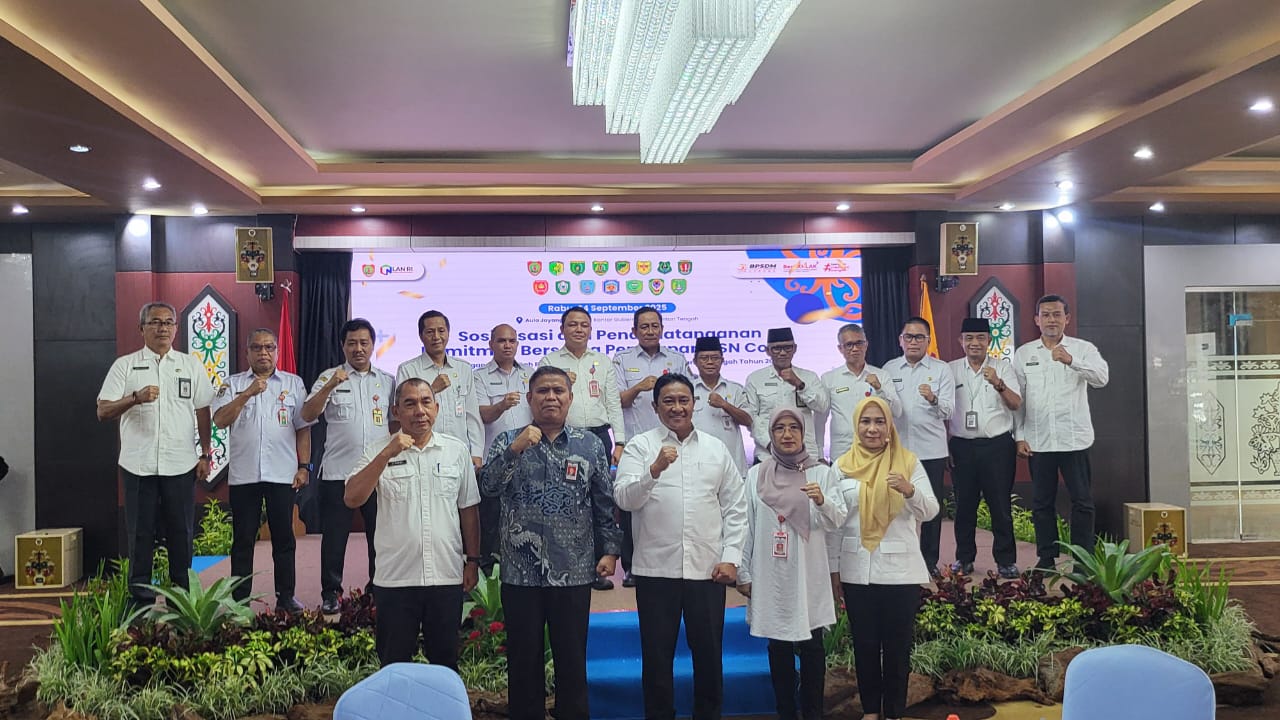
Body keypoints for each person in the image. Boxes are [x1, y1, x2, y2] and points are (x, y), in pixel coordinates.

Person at [479, 366, 622, 720]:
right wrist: (514, 451)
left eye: (559, 391)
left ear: (570, 398)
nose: (551, 397)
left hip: (573, 570)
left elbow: (603, 502)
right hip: (520, 572)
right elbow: (489, 489)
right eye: (543, 391)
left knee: (571, 658)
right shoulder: (507, 440)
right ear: (529, 398)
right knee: (523, 659)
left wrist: (610, 550)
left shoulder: (589, 444)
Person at [615, 374, 748, 720]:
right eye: (669, 401)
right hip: (655, 570)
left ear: (694, 403)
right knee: (657, 657)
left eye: (683, 400)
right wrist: (654, 470)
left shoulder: (715, 448)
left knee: (709, 654)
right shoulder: (640, 446)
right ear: (655, 406)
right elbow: (624, 499)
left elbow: (736, 508)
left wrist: (731, 558)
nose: (677, 407)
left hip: (707, 569)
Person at [346, 378, 481, 668]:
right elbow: (352, 498)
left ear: (437, 407)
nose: (419, 410)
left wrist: (472, 560)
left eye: (425, 402)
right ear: (396, 411)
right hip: (395, 579)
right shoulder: (378, 449)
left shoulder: (456, 451)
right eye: (410, 404)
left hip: (445, 576)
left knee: (445, 665)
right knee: (394, 665)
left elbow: (468, 508)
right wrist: (387, 453)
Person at [97, 302, 214, 606]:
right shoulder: (125, 365)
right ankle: (140, 603)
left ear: (176, 328)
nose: (162, 328)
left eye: (168, 322)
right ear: (142, 328)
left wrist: (205, 453)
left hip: (181, 464)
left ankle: (181, 601)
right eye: (155, 322)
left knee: (181, 534)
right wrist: (134, 398)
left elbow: (203, 410)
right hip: (138, 465)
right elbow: (103, 410)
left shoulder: (190, 365)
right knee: (140, 535)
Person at [829, 397, 939, 720]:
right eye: (866, 421)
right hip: (856, 570)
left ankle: (893, 712)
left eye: (879, 421)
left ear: (890, 426)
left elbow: (931, 510)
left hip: (900, 573)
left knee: (897, 649)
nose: (872, 428)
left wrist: (909, 490)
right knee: (864, 646)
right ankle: (869, 711)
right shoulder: (841, 466)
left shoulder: (908, 462)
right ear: (856, 426)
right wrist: (834, 571)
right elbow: (833, 524)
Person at [737, 409, 847, 720]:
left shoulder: (821, 473)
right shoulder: (756, 475)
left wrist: (822, 501)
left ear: (803, 433)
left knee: (813, 645)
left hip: (809, 571)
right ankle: (785, 711)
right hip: (771, 572)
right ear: (771, 435)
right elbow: (745, 525)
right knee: (778, 645)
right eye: (780, 429)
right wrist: (743, 571)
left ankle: (813, 713)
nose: (787, 434)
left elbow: (838, 520)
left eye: (794, 428)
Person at [211, 328, 314, 611]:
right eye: (257, 348)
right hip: (244, 476)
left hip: (282, 474)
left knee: (284, 539)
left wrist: (304, 466)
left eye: (269, 347)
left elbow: (303, 428)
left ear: (277, 352)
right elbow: (220, 420)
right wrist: (247, 394)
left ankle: (286, 597)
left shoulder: (293, 384)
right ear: (247, 353)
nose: (263, 353)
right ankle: (240, 600)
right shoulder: (232, 384)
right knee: (243, 540)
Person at [301, 318, 394, 614]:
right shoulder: (329, 377)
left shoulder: (387, 381)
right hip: (338, 473)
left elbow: (394, 422)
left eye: (364, 342)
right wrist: (330, 386)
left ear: (373, 345)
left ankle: (377, 589)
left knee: (380, 536)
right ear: (343, 346)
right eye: (352, 343)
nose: (358, 348)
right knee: (334, 537)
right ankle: (331, 592)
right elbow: (307, 414)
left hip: (378, 474)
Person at [1014, 295, 1109, 570]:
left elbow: (1102, 379)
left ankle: (1082, 560)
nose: (1051, 320)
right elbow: (1019, 400)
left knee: (1082, 502)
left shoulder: (1083, 349)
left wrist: (1071, 361)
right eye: (1045, 315)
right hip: (1039, 441)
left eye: (1057, 314)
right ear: (1036, 320)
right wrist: (1019, 436)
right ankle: (1047, 558)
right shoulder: (1024, 354)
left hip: (1074, 440)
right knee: (1042, 503)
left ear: (1067, 318)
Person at [539, 306, 626, 589]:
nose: (578, 329)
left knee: (601, 500)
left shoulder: (602, 361)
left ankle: (599, 568)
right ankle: (567, 564)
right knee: (570, 502)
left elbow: (613, 403)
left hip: (599, 437)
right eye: (573, 324)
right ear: (562, 329)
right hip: (564, 437)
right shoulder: (549, 361)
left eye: (584, 325)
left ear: (590, 329)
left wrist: (620, 441)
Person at [613, 307, 689, 587]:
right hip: (637, 444)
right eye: (643, 327)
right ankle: (631, 566)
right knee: (632, 504)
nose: (649, 331)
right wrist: (639, 387)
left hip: (673, 441)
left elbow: (688, 398)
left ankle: (676, 560)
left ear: (662, 329)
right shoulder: (622, 360)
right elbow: (617, 401)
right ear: (634, 331)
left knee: (670, 502)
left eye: (654, 326)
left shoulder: (676, 359)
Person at [948, 318, 1022, 578]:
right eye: (969, 338)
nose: (975, 343)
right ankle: (964, 558)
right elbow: (942, 409)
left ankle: (1006, 561)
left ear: (989, 340)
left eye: (980, 337)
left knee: (1000, 506)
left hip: (997, 447)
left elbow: (1016, 404)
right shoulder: (950, 370)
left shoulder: (1003, 367)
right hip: (962, 447)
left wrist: (998, 383)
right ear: (961, 341)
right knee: (964, 506)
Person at [885, 316, 954, 577]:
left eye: (919, 337)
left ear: (928, 340)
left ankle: (929, 561)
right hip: (897, 452)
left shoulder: (941, 370)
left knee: (930, 508)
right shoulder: (889, 369)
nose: (913, 342)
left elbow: (949, 411)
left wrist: (933, 398)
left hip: (931, 451)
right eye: (909, 337)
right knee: (896, 508)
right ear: (900, 341)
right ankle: (899, 560)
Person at [395, 310, 484, 468]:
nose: (436, 337)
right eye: (430, 332)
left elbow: (472, 415)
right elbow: (403, 413)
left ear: (448, 333)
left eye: (441, 331)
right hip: (422, 451)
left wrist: (476, 452)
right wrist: (432, 389)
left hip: (459, 451)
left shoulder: (463, 368)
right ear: (421, 336)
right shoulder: (408, 369)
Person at [476, 323, 532, 570]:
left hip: (528, 458)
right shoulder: (479, 376)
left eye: (511, 341)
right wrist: (502, 405)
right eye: (501, 341)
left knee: (524, 518)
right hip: (495, 459)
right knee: (492, 520)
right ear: (491, 344)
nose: (507, 345)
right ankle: (489, 571)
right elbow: (483, 415)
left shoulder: (530, 373)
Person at [818, 323, 901, 461]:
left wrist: (879, 389)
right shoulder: (829, 378)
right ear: (840, 348)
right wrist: (819, 454)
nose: (855, 348)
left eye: (859, 343)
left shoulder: (882, 375)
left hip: (876, 453)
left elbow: (897, 412)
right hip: (842, 452)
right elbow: (820, 419)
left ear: (866, 345)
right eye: (849, 345)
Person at [745, 328, 829, 462]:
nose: (783, 353)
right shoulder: (755, 379)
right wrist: (771, 444)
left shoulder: (809, 377)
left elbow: (822, 407)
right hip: (768, 455)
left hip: (805, 454)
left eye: (787, 348)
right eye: (776, 349)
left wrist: (800, 384)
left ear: (795, 348)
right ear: (767, 351)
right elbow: (751, 417)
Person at [690, 336, 751, 476]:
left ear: (722, 360)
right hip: (696, 464)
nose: (710, 362)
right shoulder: (687, 389)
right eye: (704, 358)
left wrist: (725, 404)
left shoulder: (735, 389)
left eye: (715, 358)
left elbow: (748, 420)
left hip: (731, 463)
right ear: (695, 362)